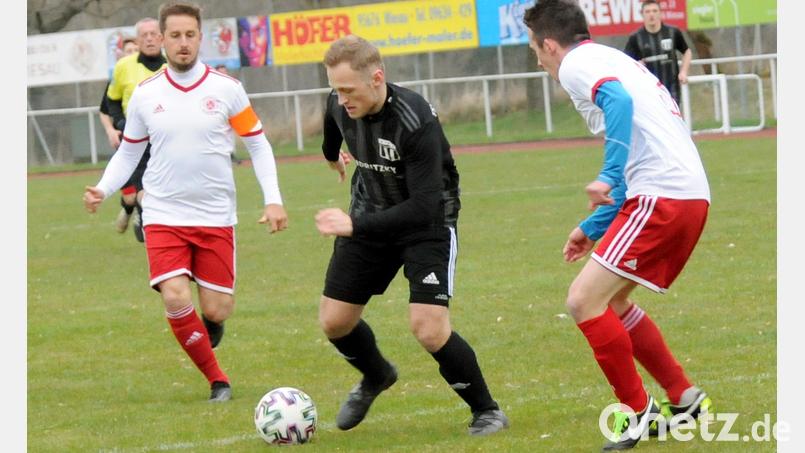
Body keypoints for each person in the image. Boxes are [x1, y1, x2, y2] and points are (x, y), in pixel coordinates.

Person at [522, 1, 711, 450]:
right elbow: (635, 153)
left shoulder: (577, 64)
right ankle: (684, 398)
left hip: (663, 195)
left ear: (550, 44)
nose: (538, 60)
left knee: (583, 301)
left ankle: (638, 412)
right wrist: (594, 224)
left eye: (536, 50)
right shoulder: (609, 59)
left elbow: (618, 104)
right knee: (616, 301)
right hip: (686, 194)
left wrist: (607, 175)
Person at [83, 1, 288, 402]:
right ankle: (218, 381)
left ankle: (205, 328)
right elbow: (128, 152)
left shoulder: (226, 89)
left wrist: (274, 200)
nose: (182, 43)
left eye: (189, 35)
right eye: (174, 36)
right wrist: (103, 189)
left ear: (200, 38)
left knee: (217, 310)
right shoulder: (145, 94)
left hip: (215, 216)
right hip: (163, 212)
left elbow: (258, 145)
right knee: (175, 294)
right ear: (161, 39)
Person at [314, 35, 508, 436]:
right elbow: (332, 130)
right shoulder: (340, 103)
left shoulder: (416, 121)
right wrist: (333, 157)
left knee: (428, 327)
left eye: (349, 89)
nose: (342, 98)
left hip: (428, 224)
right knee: (334, 322)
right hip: (370, 216)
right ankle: (376, 375)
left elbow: (423, 207)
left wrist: (354, 225)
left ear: (377, 78)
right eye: (336, 89)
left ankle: (487, 411)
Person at [105, 17, 167, 242]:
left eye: (153, 34)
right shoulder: (124, 67)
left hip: (167, 140)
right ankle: (149, 223)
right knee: (140, 190)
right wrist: (120, 124)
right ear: (138, 40)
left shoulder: (173, 65)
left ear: (162, 37)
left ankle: (145, 218)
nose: (149, 39)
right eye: (144, 35)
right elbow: (110, 101)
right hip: (136, 141)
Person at [623, 0, 692, 105]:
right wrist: (636, 65)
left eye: (655, 11)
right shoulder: (635, 38)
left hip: (671, 87)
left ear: (660, 13)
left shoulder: (672, 32)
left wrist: (683, 72)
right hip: (647, 90)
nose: (651, 14)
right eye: (648, 11)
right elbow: (625, 62)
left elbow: (687, 51)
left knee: (671, 120)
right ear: (642, 14)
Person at [100, 37, 138, 154]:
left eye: (136, 50)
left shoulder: (149, 74)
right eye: (129, 51)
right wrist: (111, 131)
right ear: (122, 55)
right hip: (125, 136)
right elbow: (104, 111)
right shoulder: (117, 78)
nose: (133, 54)